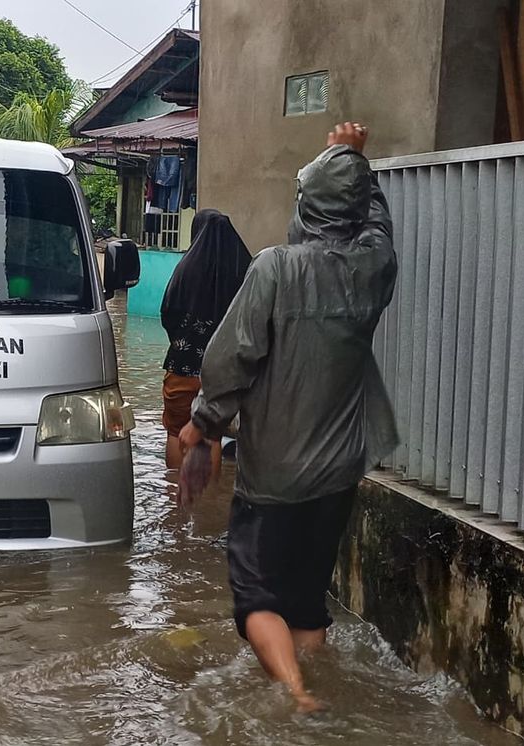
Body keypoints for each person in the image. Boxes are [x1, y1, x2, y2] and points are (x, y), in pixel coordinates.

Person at [179, 123, 398, 711]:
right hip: (338, 474)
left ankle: (298, 694)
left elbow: (230, 360)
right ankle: (317, 679)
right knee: (306, 600)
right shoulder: (373, 270)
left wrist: (202, 425)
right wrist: (357, 163)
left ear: (304, 206)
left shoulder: (274, 268)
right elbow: (377, 226)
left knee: (255, 598)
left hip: (274, 474)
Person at [160, 209, 251, 471]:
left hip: (182, 368)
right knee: (210, 435)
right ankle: (207, 503)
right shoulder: (243, 273)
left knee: (177, 431)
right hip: (222, 373)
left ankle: (173, 499)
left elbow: (168, 315)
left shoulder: (184, 271)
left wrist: (182, 343)